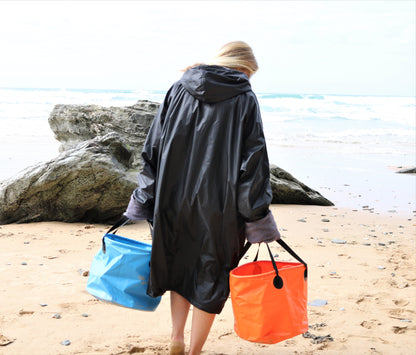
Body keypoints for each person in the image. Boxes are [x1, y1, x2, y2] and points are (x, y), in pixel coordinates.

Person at [124, 41, 280, 355]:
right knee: (212, 274)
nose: (248, 80)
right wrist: (256, 214)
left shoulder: (178, 88)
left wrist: (146, 194)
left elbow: (152, 147)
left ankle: (177, 337)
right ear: (241, 68)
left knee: (179, 265)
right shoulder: (244, 97)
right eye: (249, 73)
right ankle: (193, 351)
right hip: (220, 208)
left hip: (172, 200)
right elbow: (254, 162)